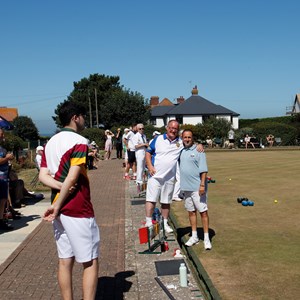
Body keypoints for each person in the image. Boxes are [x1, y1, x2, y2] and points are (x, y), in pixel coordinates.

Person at [39, 101, 100, 300]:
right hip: (77, 207)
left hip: (59, 208)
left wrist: (57, 197)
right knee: (89, 261)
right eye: (83, 116)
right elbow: (73, 177)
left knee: (65, 261)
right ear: (75, 117)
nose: (84, 120)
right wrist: (58, 205)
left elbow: (43, 176)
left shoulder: (50, 143)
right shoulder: (80, 141)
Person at [145, 120, 203, 234]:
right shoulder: (158, 139)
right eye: (171, 127)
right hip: (155, 175)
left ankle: (165, 223)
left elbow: (191, 145)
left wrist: (199, 145)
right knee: (151, 200)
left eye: (175, 128)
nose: (173, 130)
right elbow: (148, 152)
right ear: (167, 128)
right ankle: (148, 221)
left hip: (169, 178)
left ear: (178, 130)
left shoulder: (180, 142)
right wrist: (150, 166)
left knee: (166, 202)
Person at [179, 129, 212, 250]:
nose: (187, 139)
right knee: (191, 212)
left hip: (198, 187)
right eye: (185, 137)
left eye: (189, 137)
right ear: (182, 138)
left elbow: (203, 170)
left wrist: (202, 185)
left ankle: (207, 238)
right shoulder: (180, 150)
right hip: (186, 187)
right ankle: (194, 236)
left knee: (203, 212)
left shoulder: (199, 150)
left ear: (192, 138)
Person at [0, 128, 15, 230]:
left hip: (4, 176)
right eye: (1, 134)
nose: (3, 136)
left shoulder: (1, 148)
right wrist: (7, 158)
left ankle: (1, 219)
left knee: (3, 199)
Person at [132, 124, 148, 191]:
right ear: (137, 129)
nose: (141, 130)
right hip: (139, 152)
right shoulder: (136, 136)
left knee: (144, 167)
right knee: (140, 166)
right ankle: (139, 181)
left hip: (144, 151)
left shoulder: (144, 136)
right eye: (140, 129)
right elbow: (136, 146)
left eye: (142, 128)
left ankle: (143, 179)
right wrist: (144, 144)